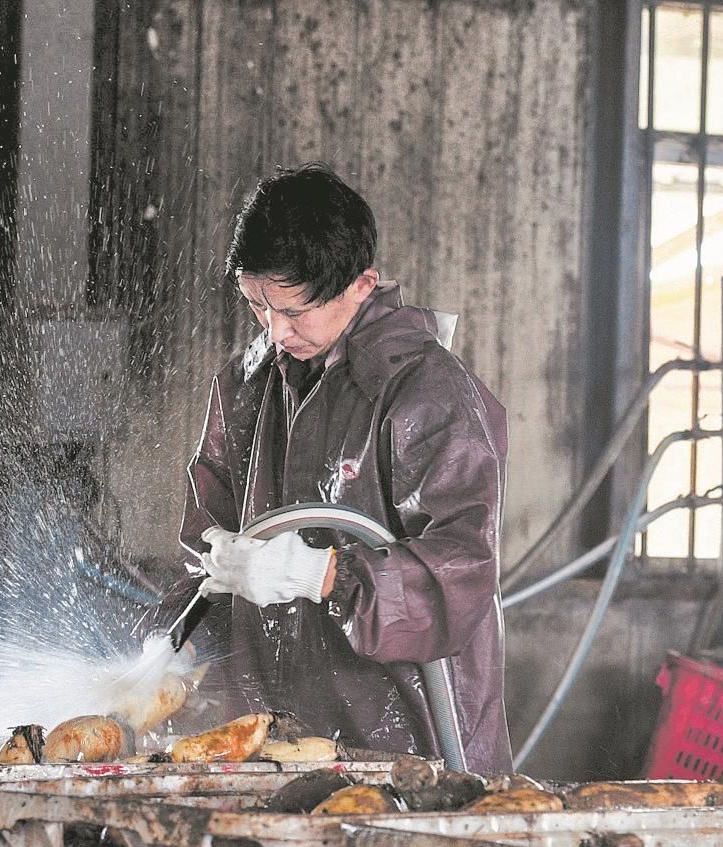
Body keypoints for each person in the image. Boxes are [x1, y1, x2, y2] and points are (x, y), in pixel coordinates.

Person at [158, 163, 512, 774]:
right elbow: (208, 536)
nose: (276, 331)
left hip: (407, 737)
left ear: (360, 284)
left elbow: (462, 571)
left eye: (295, 311)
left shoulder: (429, 394)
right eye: (258, 307)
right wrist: (177, 635)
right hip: (274, 727)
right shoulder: (247, 384)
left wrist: (319, 574)